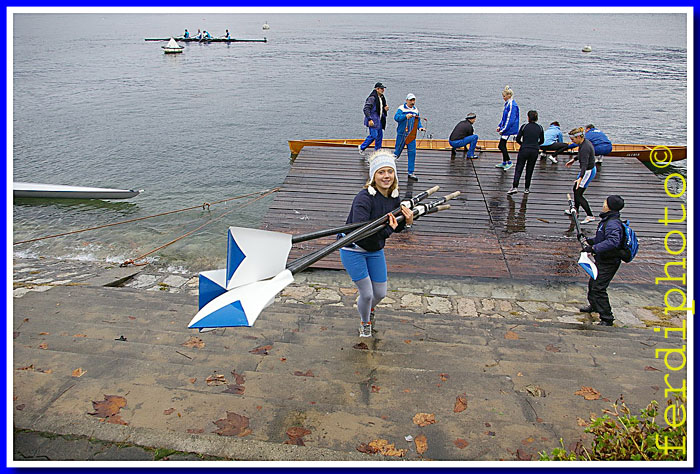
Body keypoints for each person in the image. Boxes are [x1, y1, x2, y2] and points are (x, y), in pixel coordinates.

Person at [339, 151, 414, 338]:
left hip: (375, 249)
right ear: (373, 176)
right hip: (353, 248)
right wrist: (388, 230)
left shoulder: (394, 198)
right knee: (366, 294)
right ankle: (365, 323)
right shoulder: (363, 199)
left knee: (380, 293)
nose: (386, 176)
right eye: (381, 172)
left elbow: (395, 226)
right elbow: (363, 234)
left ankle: (368, 309)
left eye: (390, 171)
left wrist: (408, 222)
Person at [579, 195, 626, 326]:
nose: (603, 204)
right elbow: (602, 238)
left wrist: (593, 248)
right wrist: (589, 241)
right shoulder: (608, 220)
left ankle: (607, 318)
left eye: (605, 203)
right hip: (602, 259)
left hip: (609, 261)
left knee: (599, 288)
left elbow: (613, 241)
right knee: (593, 284)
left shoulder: (612, 224)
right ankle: (594, 306)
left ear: (610, 207)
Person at [564, 127, 597, 224]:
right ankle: (575, 210)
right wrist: (574, 159)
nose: (572, 141)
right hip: (586, 170)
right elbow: (581, 155)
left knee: (578, 194)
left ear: (578, 137)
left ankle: (590, 215)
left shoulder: (585, 147)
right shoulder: (584, 143)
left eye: (573, 139)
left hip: (588, 171)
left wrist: (581, 178)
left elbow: (584, 164)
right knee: (575, 189)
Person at [508, 110, 544, 195]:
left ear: (528, 118)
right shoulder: (540, 127)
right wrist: (536, 145)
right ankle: (526, 188)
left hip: (524, 149)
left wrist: (523, 144)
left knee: (519, 168)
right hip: (534, 150)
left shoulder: (524, 126)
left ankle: (515, 187)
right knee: (530, 169)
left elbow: (518, 139)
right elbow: (542, 140)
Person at [394, 93, 425, 181]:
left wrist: (420, 127)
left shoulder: (415, 110)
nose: (412, 102)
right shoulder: (401, 108)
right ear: (407, 100)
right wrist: (405, 116)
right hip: (402, 134)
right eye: (411, 100)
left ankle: (410, 172)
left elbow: (417, 121)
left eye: (413, 100)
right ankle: (390, 167)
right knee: (397, 152)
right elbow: (396, 118)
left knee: (412, 153)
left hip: (411, 135)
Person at [359, 82, 389, 155]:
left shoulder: (381, 97)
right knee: (373, 135)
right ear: (377, 89)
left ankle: (377, 152)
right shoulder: (372, 98)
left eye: (383, 89)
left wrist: (385, 108)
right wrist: (369, 119)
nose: (383, 90)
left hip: (379, 120)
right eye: (381, 88)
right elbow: (366, 109)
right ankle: (362, 147)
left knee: (379, 136)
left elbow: (381, 107)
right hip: (373, 120)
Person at [495, 85, 519, 171]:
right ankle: (505, 162)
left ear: (509, 95)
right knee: (502, 145)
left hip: (509, 129)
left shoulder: (512, 105)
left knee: (501, 145)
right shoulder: (507, 104)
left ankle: (508, 162)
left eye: (504, 96)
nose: (503, 98)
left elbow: (510, 120)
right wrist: (499, 125)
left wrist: (503, 130)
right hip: (506, 128)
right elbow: (504, 118)